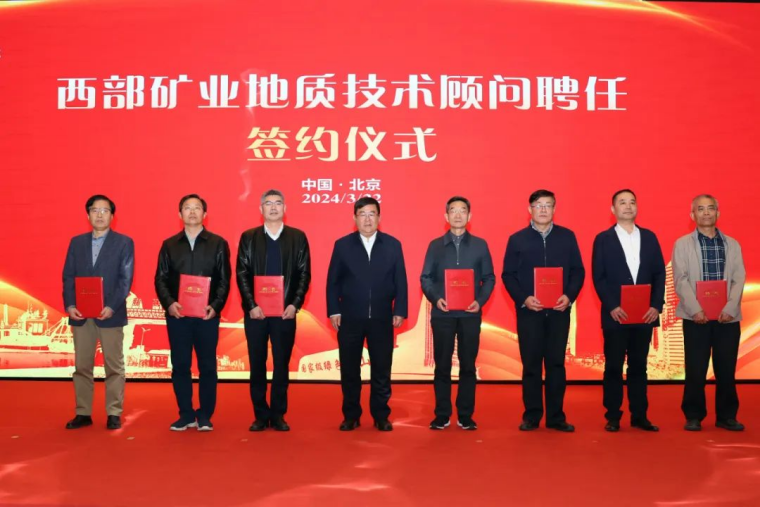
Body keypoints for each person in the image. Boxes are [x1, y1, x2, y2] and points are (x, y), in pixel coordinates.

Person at [502, 189, 585, 432]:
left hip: (559, 311)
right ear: (530, 209)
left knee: (556, 365)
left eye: (548, 205)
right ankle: (531, 415)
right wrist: (524, 298)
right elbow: (508, 275)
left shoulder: (567, 237)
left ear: (554, 209)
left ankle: (556, 417)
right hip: (530, 313)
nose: (543, 209)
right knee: (531, 365)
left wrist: (569, 296)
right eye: (538, 205)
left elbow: (578, 271)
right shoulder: (517, 239)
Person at [326, 197, 408, 431]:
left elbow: (400, 280)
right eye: (362, 214)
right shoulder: (342, 245)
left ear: (379, 218)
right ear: (355, 218)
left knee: (382, 369)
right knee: (350, 370)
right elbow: (332, 282)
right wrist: (334, 310)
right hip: (350, 317)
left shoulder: (392, 245)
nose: (368, 219)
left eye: (372, 214)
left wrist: (400, 310)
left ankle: (381, 415)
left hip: (382, 317)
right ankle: (351, 415)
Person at [155, 194, 231, 432]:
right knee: (180, 366)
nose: (192, 212)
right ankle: (186, 414)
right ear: (180, 215)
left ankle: (205, 414)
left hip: (207, 316)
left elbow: (224, 280)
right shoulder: (169, 245)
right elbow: (160, 279)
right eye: (187, 208)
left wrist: (215, 306)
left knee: (207, 366)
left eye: (197, 208)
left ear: (205, 214)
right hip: (178, 316)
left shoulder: (218, 243)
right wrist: (169, 304)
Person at [237, 190, 311, 432]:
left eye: (278, 203)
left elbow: (304, 274)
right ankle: (260, 415)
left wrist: (294, 304)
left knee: (281, 365)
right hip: (256, 314)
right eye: (268, 203)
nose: (273, 207)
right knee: (257, 364)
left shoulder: (297, 237)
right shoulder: (248, 237)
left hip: (285, 313)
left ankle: (278, 415)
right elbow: (242, 273)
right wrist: (251, 305)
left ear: (284, 208)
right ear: (261, 209)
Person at [591, 189, 665, 432]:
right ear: (613, 210)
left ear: (637, 207)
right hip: (616, 316)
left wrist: (656, 305)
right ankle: (613, 415)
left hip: (644, 315)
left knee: (639, 366)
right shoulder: (603, 239)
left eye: (632, 202)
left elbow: (659, 274)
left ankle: (639, 415)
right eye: (622, 202)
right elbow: (599, 277)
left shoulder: (650, 237)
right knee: (613, 366)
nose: (628, 206)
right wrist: (612, 306)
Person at [672, 194, 746, 432]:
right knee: (695, 369)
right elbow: (680, 279)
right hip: (696, 318)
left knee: (726, 369)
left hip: (727, 318)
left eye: (710, 208)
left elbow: (739, 278)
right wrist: (695, 309)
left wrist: (730, 308)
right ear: (692, 215)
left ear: (718, 213)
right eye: (700, 209)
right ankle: (693, 415)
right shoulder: (682, 244)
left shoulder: (732, 244)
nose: (706, 213)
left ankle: (727, 416)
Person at [420, 196, 495, 430]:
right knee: (442, 366)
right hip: (443, 315)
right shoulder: (435, 245)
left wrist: (479, 301)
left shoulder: (480, 245)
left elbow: (489, 278)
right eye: (453, 210)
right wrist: (436, 298)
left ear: (469, 216)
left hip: (470, 315)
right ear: (446, 216)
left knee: (468, 366)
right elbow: (425, 277)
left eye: (463, 210)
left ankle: (465, 415)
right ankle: (442, 415)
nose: (458, 215)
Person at [62, 194, 134, 430]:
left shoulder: (124, 243)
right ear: (88, 215)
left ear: (112, 216)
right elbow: (68, 276)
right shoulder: (76, 242)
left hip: (110, 314)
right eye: (95, 210)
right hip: (81, 315)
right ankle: (83, 412)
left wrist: (111, 306)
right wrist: (70, 305)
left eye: (105, 211)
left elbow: (125, 280)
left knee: (114, 366)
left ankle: (114, 412)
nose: (100, 215)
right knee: (82, 366)